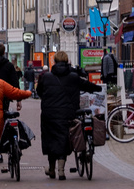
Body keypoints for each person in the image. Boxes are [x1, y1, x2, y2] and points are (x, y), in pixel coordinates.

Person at [37, 51, 101, 180]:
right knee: (64, 139)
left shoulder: (46, 77)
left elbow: (39, 92)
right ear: (67, 62)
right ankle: (61, 170)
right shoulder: (73, 77)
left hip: (49, 113)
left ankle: (51, 169)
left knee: (51, 139)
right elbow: (88, 86)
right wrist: (99, 89)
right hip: (68, 113)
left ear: (54, 62)